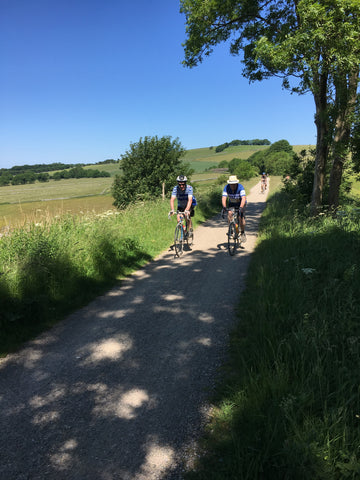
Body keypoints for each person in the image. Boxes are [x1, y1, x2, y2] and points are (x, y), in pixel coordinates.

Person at [222, 175, 247, 242]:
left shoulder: (240, 187)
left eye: (233, 184)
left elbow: (243, 198)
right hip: (232, 203)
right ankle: (231, 229)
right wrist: (224, 207)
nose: (232, 186)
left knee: (241, 218)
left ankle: (242, 232)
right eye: (231, 184)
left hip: (241, 203)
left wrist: (241, 207)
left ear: (236, 183)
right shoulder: (226, 187)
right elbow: (224, 197)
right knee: (229, 213)